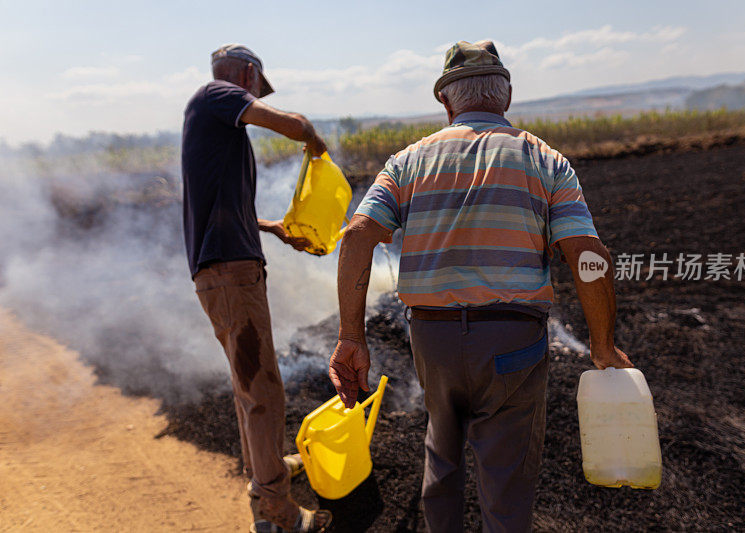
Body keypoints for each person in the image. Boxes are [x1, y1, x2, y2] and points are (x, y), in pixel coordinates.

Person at [328, 40, 634, 532]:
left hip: (432, 339)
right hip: (512, 343)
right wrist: (601, 343)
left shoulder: (407, 162)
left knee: (441, 455)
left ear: (445, 101)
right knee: (506, 481)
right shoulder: (545, 160)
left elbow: (359, 235)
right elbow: (589, 256)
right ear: (506, 96)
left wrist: (350, 336)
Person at [182, 44, 332, 533]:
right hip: (229, 273)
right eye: (255, 85)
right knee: (264, 391)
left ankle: (264, 473)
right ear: (249, 74)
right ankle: (276, 510)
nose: (252, 93)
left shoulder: (216, 122)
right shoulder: (215, 95)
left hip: (228, 270)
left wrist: (273, 227)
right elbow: (291, 126)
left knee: (249, 387)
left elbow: (225, 207)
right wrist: (312, 141)